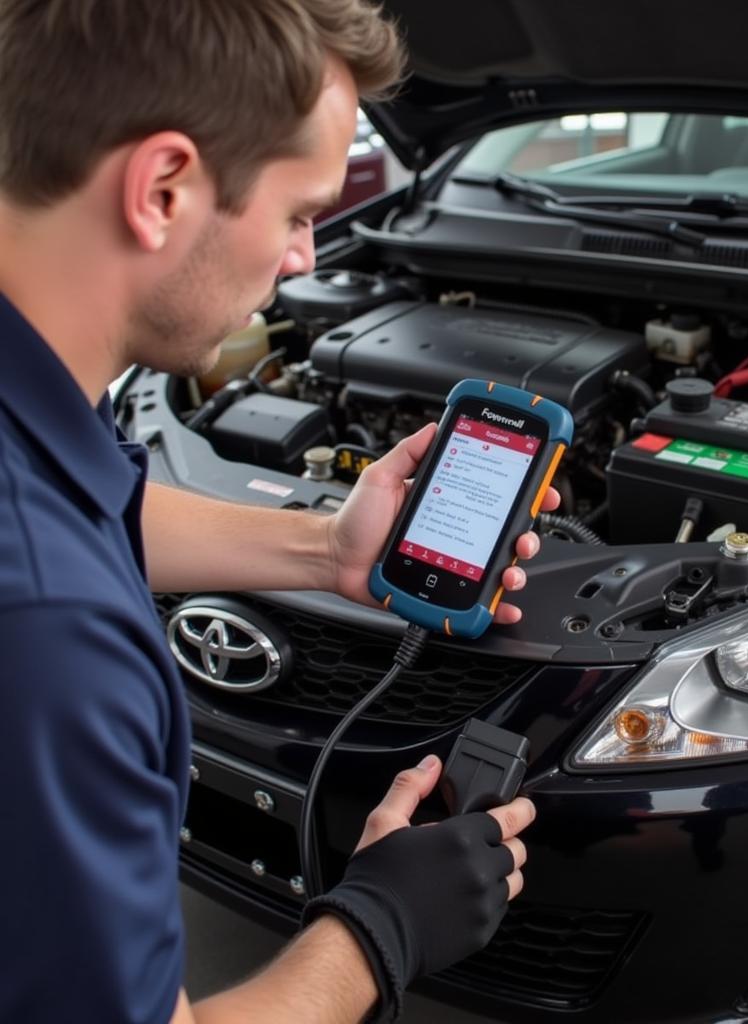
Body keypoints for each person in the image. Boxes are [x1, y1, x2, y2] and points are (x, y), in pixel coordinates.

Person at [0, 2, 559, 1021]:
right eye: (300, 211)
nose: (306, 259)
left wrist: (327, 548)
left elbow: (85, 507)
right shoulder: (53, 641)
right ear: (163, 188)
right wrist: (380, 927)